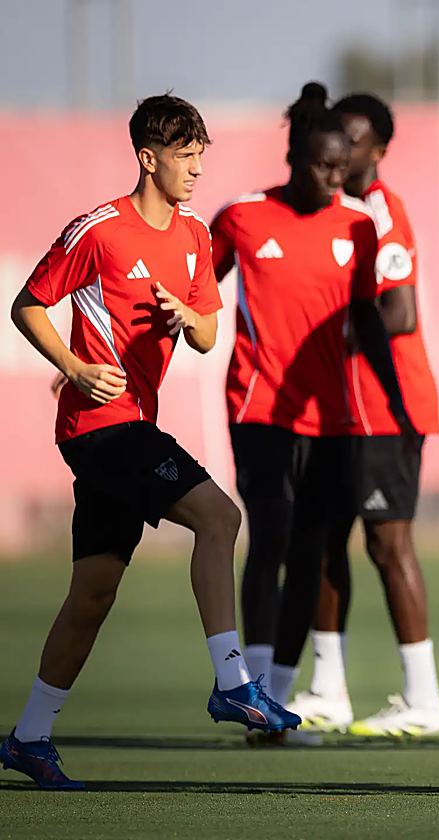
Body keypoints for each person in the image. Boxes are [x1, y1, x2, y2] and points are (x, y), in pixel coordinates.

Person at [2, 94, 298, 790]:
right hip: (100, 425)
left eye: (202, 156)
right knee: (220, 517)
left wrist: (186, 311)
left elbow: (206, 335)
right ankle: (232, 682)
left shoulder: (195, 234)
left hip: (132, 422)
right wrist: (73, 368)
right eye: (186, 156)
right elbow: (28, 305)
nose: (197, 169)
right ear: (149, 157)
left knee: (93, 593)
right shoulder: (98, 230)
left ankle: (28, 738)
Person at [210, 83, 409, 732]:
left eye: (341, 168)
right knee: (269, 536)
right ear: (294, 156)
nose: (335, 177)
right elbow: (196, 290)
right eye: (324, 166)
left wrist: (396, 398)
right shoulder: (241, 216)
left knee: (316, 550)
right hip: (260, 406)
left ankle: (276, 691)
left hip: (335, 417)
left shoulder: (357, 225)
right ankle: (253, 686)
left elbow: (369, 319)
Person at [282, 92, 439, 737]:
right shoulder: (335, 212)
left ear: (378, 150)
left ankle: (425, 696)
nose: (344, 153)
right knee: (325, 538)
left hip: (388, 406)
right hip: (341, 411)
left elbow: (400, 314)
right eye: (336, 140)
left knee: (388, 542)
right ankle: (328, 689)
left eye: (355, 142)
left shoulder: (380, 212)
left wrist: (320, 332)